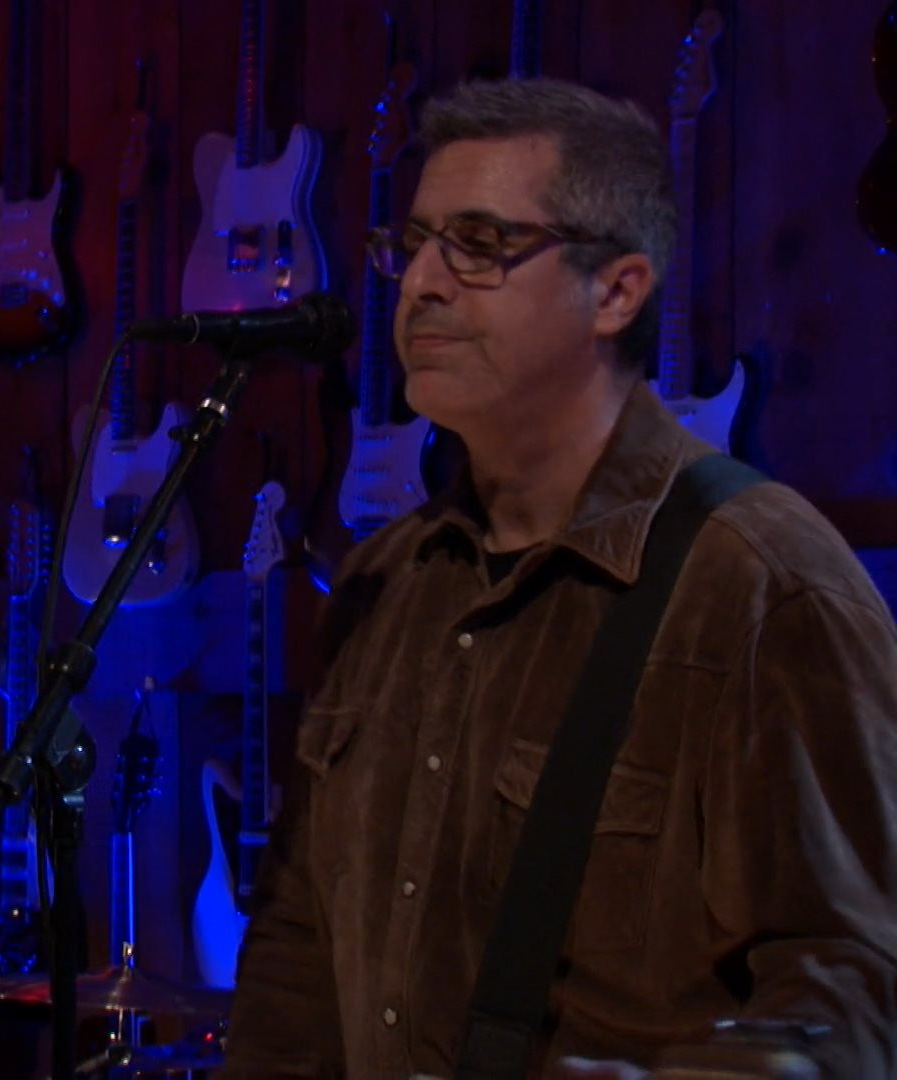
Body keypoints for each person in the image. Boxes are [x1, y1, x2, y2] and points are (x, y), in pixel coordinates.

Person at [224, 78, 897, 1078]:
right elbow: (297, 958)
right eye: (413, 244)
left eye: (479, 244)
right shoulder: (384, 583)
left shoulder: (761, 583)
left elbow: (855, 993)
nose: (421, 285)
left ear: (617, 292)